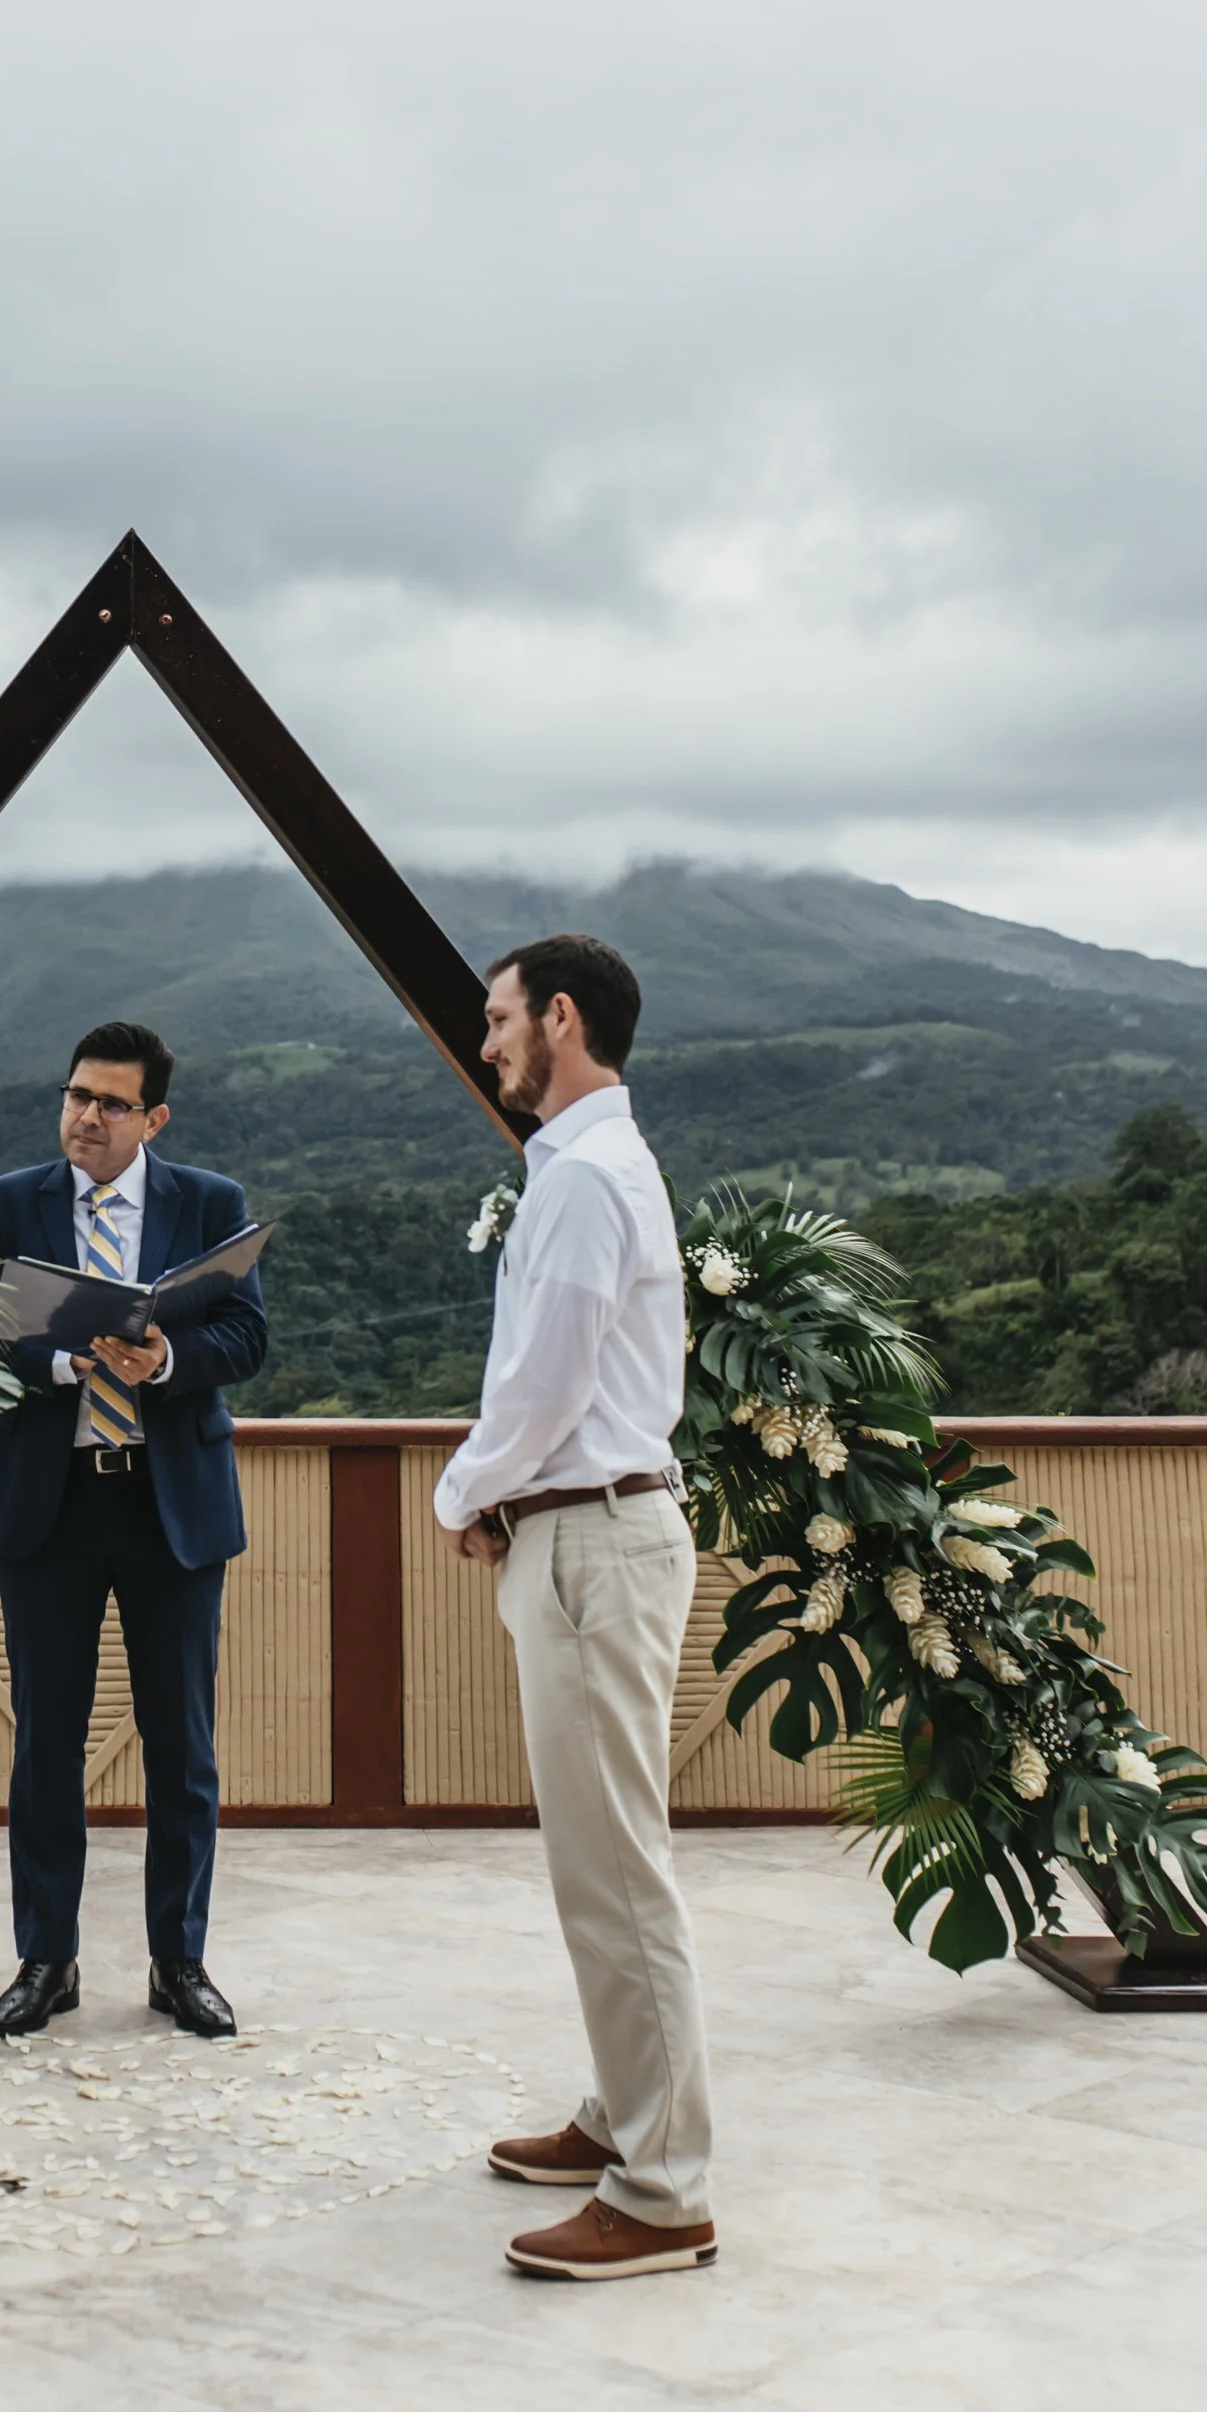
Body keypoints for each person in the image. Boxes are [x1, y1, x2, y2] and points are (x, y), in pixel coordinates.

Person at [435, 936, 717, 2281]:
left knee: (614, 1864)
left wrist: (455, 1493)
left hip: (593, 1540)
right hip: (582, 1534)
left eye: (496, 1020)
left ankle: (663, 2194)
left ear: (559, 1018)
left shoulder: (586, 1178)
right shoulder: (585, 1167)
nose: (486, 1042)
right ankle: (622, 2114)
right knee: (592, 1856)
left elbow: (543, 1388)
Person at [0, 1022, 267, 2042]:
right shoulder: (12, 1203)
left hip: (168, 1505)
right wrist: (67, 1366)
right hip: (49, 1505)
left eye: (108, 1103)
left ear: (154, 1117)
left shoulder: (209, 1204)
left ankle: (178, 1963)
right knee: (46, 1744)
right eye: (74, 1097)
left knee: (180, 1746)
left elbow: (247, 1335)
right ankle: (44, 1961)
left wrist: (165, 1363)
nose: (85, 1118)